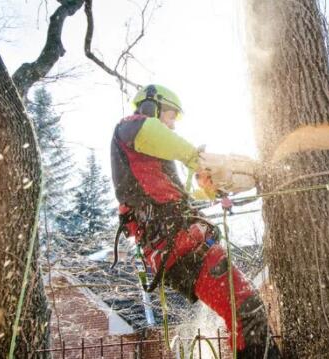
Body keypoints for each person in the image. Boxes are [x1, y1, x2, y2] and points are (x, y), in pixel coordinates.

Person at [110, 84, 280, 358]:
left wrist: (212, 192)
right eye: (170, 115)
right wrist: (196, 160)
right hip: (179, 246)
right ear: (150, 107)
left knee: (243, 309)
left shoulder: (152, 160)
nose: (172, 125)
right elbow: (154, 133)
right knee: (245, 309)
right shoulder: (130, 128)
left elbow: (181, 199)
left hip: (182, 243)